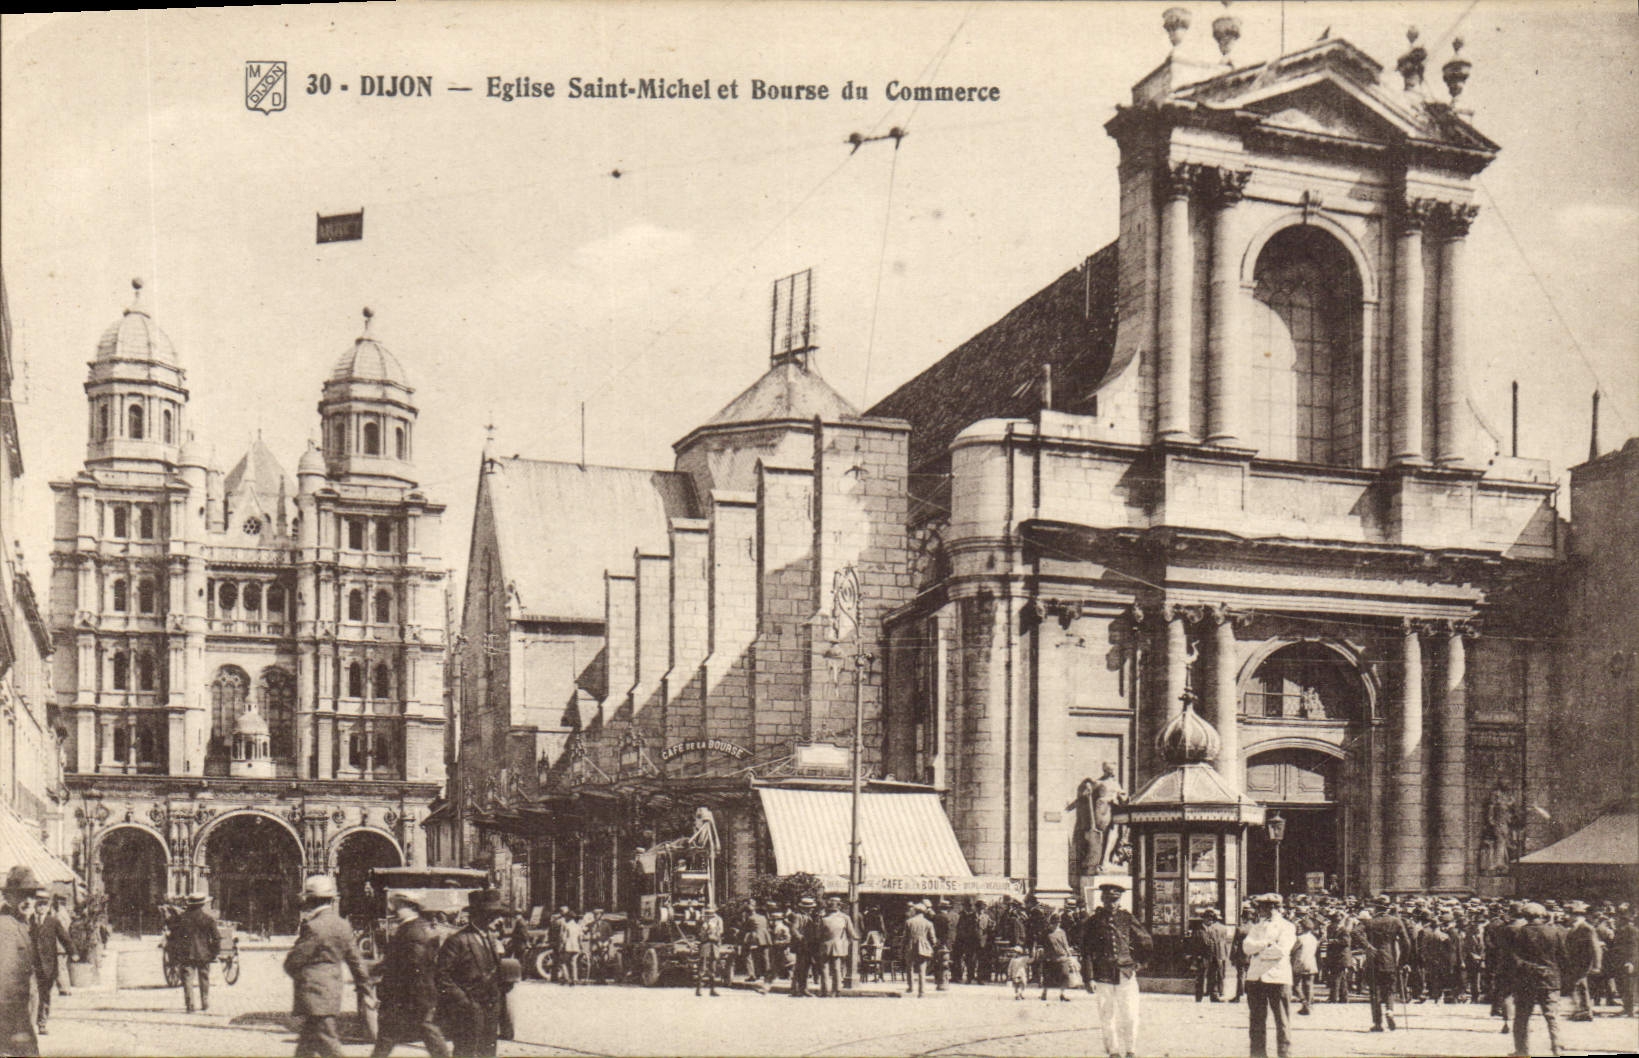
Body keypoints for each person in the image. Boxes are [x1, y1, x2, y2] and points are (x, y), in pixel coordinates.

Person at [283, 874, 373, 1058]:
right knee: (306, 1047)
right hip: (331, 992)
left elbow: (293, 961)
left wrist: (302, 975)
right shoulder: (342, 925)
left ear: (309, 900)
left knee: (329, 1046)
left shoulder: (314, 926)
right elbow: (357, 963)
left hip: (314, 994)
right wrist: (366, 989)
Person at [371, 894, 450, 1058]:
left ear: (411, 908)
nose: (395, 910)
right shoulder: (410, 927)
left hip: (411, 994)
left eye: (399, 906)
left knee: (425, 1032)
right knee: (390, 1035)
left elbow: (414, 965)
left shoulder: (412, 930)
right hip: (410, 995)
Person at [1081, 879, 1151, 1058]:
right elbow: (1086, 951)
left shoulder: (1127, 918)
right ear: (1102, 900)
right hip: (1102, 975)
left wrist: (1139, 964)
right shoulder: (1093, 922)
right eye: (1108, 900)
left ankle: (1131, 1050)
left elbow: (1146, 941)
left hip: (1126, 973)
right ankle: (1113, 1051)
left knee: (1130, 1014)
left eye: (1115, 900)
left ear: (1120, 900)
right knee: (1107, 1016)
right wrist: (1088, 978)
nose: (1112, 904)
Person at [437, 889, 509, 1058]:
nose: (499, 920)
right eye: (494, 915)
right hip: (467, 1010)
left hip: (490, 1007)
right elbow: (442, 977)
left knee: (488, 1052)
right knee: (465, 1052)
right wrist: (464, 1002)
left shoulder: (491, 939)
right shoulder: (457, 941)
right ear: (480, 915)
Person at [1510, 901, 1567, 1057]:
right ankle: (1557, 1048)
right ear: (1542, 915)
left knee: (1522, 1017)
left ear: (1526, 916)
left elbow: (1515, 957)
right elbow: (1563, 956)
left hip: (1527, 980)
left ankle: (1522, 1050)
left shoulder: (1520, 932)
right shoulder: (1555, 932)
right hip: (1550, 979)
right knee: (1552, 1016)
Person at [1242, 893, 1296, 1058]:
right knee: (1256, 1022)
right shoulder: (1257, 926)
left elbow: (1281, 951)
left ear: (1276, 908)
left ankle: (1284, 1054)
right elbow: (1246, 947)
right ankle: (1258, 1055)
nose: (1264, 910)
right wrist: (1265, 944)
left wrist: (1258, 951)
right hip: (1256, 978)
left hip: (1277, 978)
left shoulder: (1287, 926)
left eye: (1268, 907)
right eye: (1262, 907)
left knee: (1282, 1021)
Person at [1353, 895, 1411, 1033]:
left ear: (1375, 907)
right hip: (1390, 959)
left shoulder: (1370, 922)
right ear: (1388, 907)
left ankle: (1377, 1023)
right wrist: (1403, 960)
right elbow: (1406, 942)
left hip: (1373, 959)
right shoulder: (1396, 921)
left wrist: (1367, 946)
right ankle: (1390, 1011)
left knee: (1375, 992)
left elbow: (1355, 932)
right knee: (1390, 988)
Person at [0, 867, 42, 1058]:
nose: (28, 901)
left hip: (20, 1009)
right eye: (22, 895)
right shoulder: (6, 926)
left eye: (32, 896)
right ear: (9, 897)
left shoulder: (22, 923)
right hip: (10, 1012)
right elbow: (6, 977)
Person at [167, 890, 219, 1016]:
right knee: (204, 977)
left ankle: (190, 1005)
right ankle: (205, 1002)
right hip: (203, 953)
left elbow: (174, 936)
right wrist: (213, 953)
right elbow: (216, 938)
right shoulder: (208, 919)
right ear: (202, 905)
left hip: (186, 954)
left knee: (187, 979)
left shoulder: (181, 919)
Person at [30, 893, 73, 1034]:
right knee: (32, 993)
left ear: (48, 907)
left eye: (44, 905)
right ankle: (30, 1024)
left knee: (45, 995)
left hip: (48, 965)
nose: (41, 907)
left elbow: (64, 937)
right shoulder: (30, 921)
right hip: (33, 964)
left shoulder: (52, 921)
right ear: (35, 906)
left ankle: (42, 1023)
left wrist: (74, 952)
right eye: (39, 904)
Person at [1563, 900, 1601, 1021]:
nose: (1566, 916)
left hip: (1584, 962)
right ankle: (1582, 1010)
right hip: (1574, 962)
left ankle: (1584, 1011)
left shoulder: (1586, 928)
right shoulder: (1573, 928)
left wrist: (1597, 965)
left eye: (1569, 914)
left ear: (1577, 915)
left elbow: (1595, 948)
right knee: (1578, 986)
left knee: (1580, 985)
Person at [819, 896, 857, 997]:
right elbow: (852, 933)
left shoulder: (825, 918)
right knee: (834, 968)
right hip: (834, 945)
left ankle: (828, 990)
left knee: (827, 968)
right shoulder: (841, 918)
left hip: (828, 945)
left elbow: (818, 934)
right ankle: (833, 990)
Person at [1197, 907, 1233, 1002]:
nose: (1210, 920)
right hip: (1203, 957)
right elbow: (1194, 944)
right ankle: (1199, 996)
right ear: (1204, 919)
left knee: (1213, 976)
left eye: (1211, 918)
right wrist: (1197, 956)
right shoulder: (1198, 930)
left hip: (1213, 956)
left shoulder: (1214, 930)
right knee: (1201, 977)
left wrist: (1217, 956)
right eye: (1208, 918)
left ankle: (1213, 995)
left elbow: (1217, 943)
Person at [903, 901, 936, 998]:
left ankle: (910, 987)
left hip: (911, 946)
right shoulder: (928, 923)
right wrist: (933, 946)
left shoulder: (909, 922)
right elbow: (932, 938)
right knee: (922, 970)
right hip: (923, 947)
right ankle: (921, 992)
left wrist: (902, 948)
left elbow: (905, 937)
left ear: (915, 911)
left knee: (910, 968)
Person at [1040, 910, 1074, 1003]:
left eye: (1058, 923)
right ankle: (1044, 993)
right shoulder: (1046, 932)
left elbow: (1065, 944)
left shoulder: (1062, 932)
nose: (1056, 925)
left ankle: (1062, 994)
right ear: (1051, 923)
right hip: (1050, 958)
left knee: (1065, 976)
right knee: (1047, 977)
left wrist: (1069, 954)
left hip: (1062, 957)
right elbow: (1042, 944)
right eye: (1054, 923)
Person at [788, 896, 816, 997]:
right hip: (801, 945)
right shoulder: (798, 916)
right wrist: (801, 938)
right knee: (800, 967)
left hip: (807, 945)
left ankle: (803, 988)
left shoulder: (809, 916)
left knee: (805, 968)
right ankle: (796, 989)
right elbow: (794, 929)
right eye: (810, 907)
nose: (812, 909)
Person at [742, 901, 771, 993]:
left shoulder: (750, 918)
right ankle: (766, 974)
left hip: (755, 938)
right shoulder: (763, 917)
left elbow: (745, 928)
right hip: (765, 937)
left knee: (749, 955)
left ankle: (752, 974)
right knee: (765, 957)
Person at [695, 903, 724, 997]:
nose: (709, 914)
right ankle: (698, 989)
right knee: (702, 967)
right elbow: (698, 931)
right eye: (707, 912)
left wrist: (714, 930)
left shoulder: (718, 919)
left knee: (713, 967)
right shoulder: (702, 919)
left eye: (711, 912)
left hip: (714, 944)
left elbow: (721, 931)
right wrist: (705, 927)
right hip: (705, 944)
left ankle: (712, 989)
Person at [1292, 917, 1319, 1017]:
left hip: (1300, 963)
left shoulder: (1300, 938)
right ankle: (1308, 1005)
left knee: (1295, 986)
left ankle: (1304, 1003)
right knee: (1308, 985)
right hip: (1311, 963)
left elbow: (1292, 950)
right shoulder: (1314, 938)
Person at [555, 906, 582, 986]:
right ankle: (575, 979)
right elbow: (580, 937)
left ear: (568, 917)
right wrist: (580, 946)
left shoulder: (566, 926)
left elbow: (563, 938)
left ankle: (567, 979)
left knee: (563, 962)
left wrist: (561, 946)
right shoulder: (578, 926)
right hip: (576, 947)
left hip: (568, 947)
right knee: (573, 963)